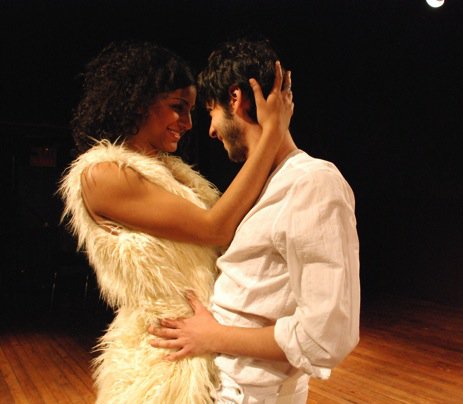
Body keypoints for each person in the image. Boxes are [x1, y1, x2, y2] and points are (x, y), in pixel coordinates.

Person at [58, 41, 293, 403]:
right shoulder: (101, 174)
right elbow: (215, 228)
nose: (188, 123)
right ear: (137, 102)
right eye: (177, 107)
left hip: (202, 343)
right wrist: (272, 134)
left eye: (191, 110)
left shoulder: (173, 173)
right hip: (163, 357)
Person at [148, 37, 360, 403]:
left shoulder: (312, 183)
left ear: (235, 99)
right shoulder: (264, 184)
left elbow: (326, 337)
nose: (210, 130)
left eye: (211, 111)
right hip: (225, 384)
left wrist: (213, 336)